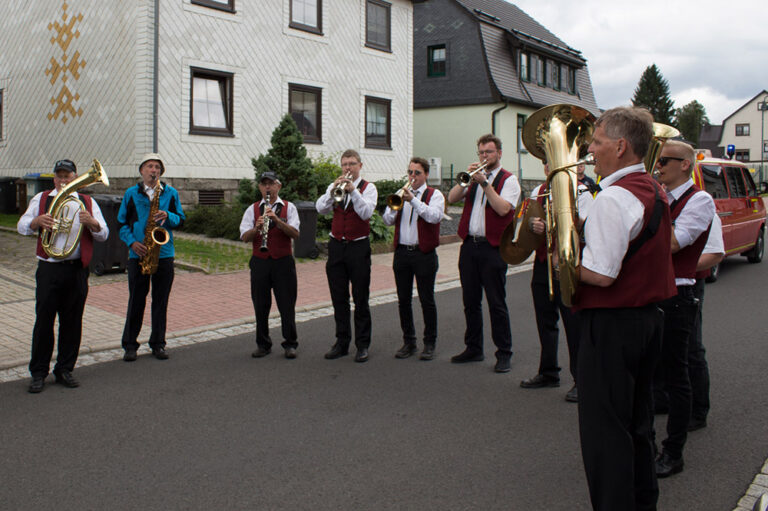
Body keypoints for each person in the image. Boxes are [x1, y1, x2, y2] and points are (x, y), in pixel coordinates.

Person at [574, 106, 676, 510]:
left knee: (605, 435)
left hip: (612, 324)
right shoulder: (650, 187)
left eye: (596, 142)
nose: (590, 149)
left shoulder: (614, 197)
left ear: (619, 146)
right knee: (637, 425)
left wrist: (560, 260)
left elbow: (600, 274)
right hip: (646, 321)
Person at [652, 140, 715, 478]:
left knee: (678, 376)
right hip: (653, 295)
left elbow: (675, 243)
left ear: (685, 165)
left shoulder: (700, 200)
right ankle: (646, 444)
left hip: (679, 296)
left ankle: (673, 451)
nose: (658, 166)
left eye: (664, 160)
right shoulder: (660, 197)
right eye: (657, 160)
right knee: (649, 375)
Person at [18, 159, 109, 392]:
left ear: (76, 177)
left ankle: (65, 369)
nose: (63, 180)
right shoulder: (41, 199)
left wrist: (93, 223)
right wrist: (37, 221)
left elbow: (104, 234)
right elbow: (21, 225)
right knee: (44, 322)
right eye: (59, 176)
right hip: (49, 269)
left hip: (76, 269)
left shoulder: (87, 202)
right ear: (54, 178)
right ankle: (38, 372)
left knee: (72, 322)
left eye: (67, 176)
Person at [520, 160, 593, 402]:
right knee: (545, 320)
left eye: (553, 161)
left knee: (573, 324)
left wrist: (561, 221)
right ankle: (548, 371)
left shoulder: (580, 190)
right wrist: (534, 224)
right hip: (543, 262)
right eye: (546, 162)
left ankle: (582, 379)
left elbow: (588, 226)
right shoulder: (537, 191)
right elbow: (528, 220)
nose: (549, 166)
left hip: (567, 261)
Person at [447, 133, 520, 373]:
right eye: (480, 152)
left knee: (496, 302)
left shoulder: (509, 181)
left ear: (499, 153)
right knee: (470, 301)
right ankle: (474, 348)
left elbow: (503, 209)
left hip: (493, 248)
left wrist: (485, 183)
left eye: (488, 152)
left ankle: (504, 353)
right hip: (470, 246)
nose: (484, 156)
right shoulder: (473, 179)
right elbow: (451, 198)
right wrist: (466, 182)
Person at [118, 153, 185, 362]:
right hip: (138, 253)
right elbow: (121, 223)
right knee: (136, 300)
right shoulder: (131, 193)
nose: (153, 170)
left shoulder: (170, 193)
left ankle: (158, 343)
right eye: (149, 166)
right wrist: (131, 242)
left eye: (157, 167)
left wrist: (169, 216)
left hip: (164, 254)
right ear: (142, 170)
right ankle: (130, 345)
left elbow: (181, 220)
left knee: (160, 301)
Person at [316, 149, 378, 363]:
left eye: (352, 164)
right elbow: (321, 209)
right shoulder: (335, 185)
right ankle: (341, 342)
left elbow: (366, 213)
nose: (348, 168)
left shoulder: (369, 188)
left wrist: (354, 191)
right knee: (338, 297)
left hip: (358, 247)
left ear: (360, 165)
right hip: (336, 246)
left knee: (361, 298)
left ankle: (362, 345)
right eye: (344, 164)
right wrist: (332, 190)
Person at [382, 157, 444, 360]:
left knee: (427, 300)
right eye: (410, 172)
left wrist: (414, 200)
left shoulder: (435, 195)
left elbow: (434, 216)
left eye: (417, 173)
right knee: (403, 300)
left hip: (423, 253)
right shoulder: (402, 194)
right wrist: (394, 206)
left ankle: (430, 343)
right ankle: (409, 342)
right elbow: (387, 220)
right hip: (402, 253)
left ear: (426, 174)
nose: (412, 177)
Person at [239, 171, 300, 359]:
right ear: (259, 187)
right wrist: (257, 228)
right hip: (260, 262)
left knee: (286, 304)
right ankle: (263, 344)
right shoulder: (253, 209)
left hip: (283, 262)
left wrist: (277, 221)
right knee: (260, 305)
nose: (267, 187)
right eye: (264, 184)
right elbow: (244, 237)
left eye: (271, 184)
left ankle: (290, 343)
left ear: (278, 186)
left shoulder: (289, 208)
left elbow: (295, 234)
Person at [689, 213, 724, 432]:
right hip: (663, 284)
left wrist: (677, 269)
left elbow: (714, 253)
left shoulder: (701, 205)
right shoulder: (663, 201)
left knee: (691, 346)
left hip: (690, 282)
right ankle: (663, 396)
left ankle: (698, 409)